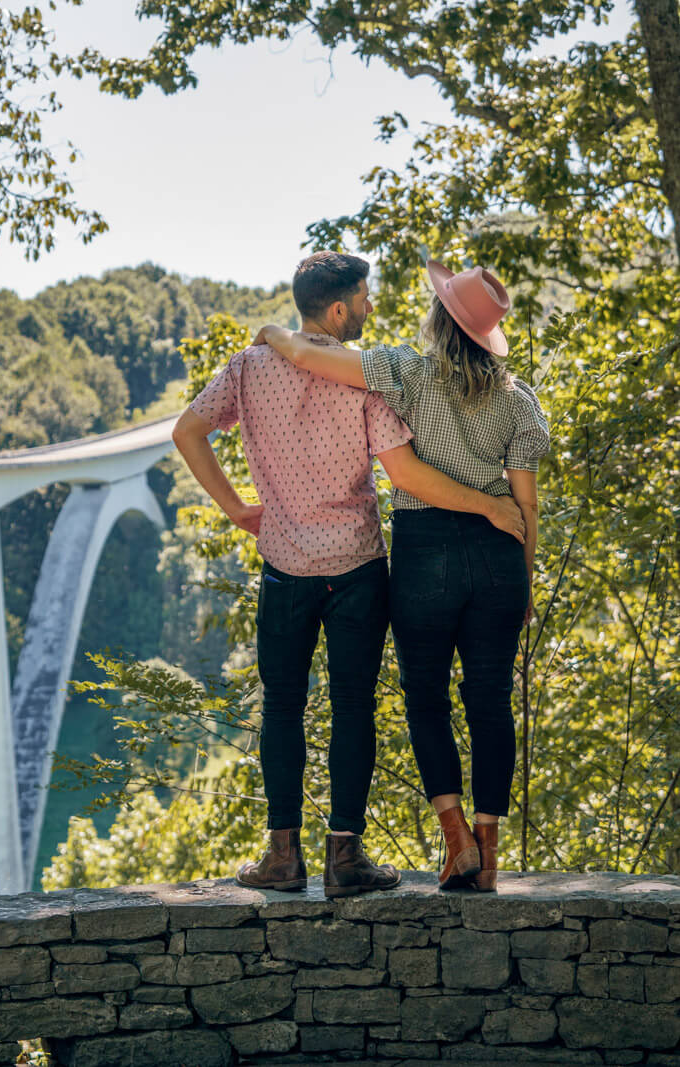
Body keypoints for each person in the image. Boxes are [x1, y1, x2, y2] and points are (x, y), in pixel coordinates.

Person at [172, 251, 526, 898]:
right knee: (352, 708)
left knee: (282, 706)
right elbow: (407, 476)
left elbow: (187, 430)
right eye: (363, 299)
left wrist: (237, 510)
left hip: (284, 564)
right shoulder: (363, 379)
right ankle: (345, 857)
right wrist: (492, 505)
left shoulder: (247, 369)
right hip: (358, 568)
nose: (370, 308)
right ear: (338, 309)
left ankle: (282, 855)